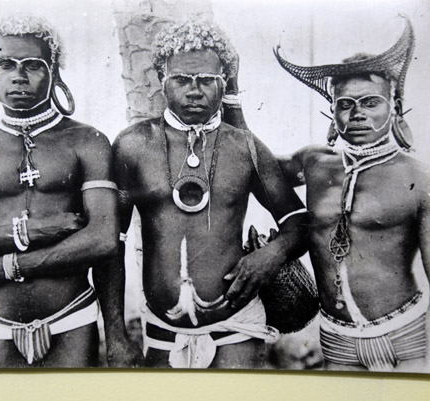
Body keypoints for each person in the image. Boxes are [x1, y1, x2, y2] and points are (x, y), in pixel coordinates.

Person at [112, 19, 308, 369]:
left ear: (224, 83)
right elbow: (112, 244)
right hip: (160, 331)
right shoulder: (133, 145)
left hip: (236, 330)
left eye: (206, 81)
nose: (194, 91)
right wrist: (116, 334)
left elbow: (298, 222)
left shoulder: (244, 147)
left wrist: (271, 255)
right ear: (162, 80)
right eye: (182, 80)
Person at [0, 15, 137, 368]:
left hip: (72, 320)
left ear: (54, 72)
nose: (19, 76)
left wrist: (8, 266)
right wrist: (32, 231)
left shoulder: (88, 142)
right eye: (6, 64)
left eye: (33, 66)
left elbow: (103, 240)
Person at [274, 18, 430, 372]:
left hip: (408, 336)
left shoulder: (419, 176)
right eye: (345, 104)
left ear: (394, 107)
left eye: (370, 102)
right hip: (338, 340)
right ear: (332, 111)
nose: (357, 113)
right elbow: (252, 166)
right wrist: (233, 97)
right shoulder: (313, 162)